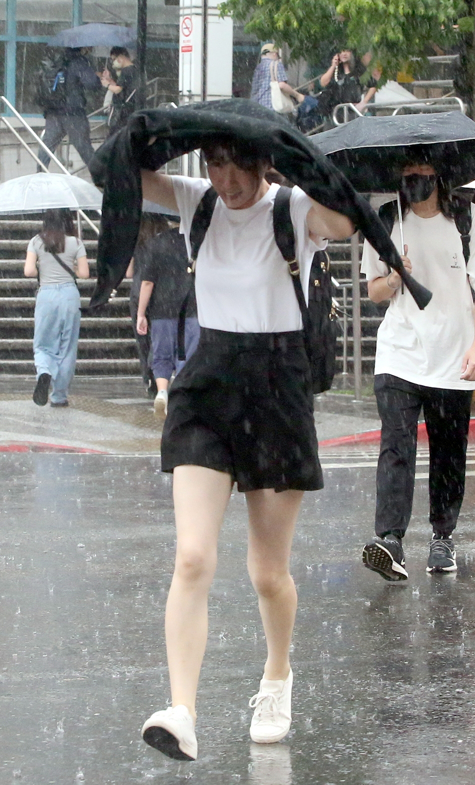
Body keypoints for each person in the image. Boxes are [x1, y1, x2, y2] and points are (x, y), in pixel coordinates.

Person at [136, 139, 357, 761]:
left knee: (267, 573)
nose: (225, 178)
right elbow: (130, 175)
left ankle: (277, 674)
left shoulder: (292, 208)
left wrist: (306, 171)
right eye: (214, 162)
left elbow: (344, 221)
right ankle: (182, 710)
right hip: (208, 386)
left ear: (263, 162)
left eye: (238, 163)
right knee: (192, 557)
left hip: (277, 390)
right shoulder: (196, 202)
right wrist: (147, 131)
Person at [360, 160, 475, 580]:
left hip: (453, 356)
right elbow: (373, 291)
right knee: (396, 446)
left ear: (438, 175)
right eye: (406, 174)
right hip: (400, 351)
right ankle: (390, 540)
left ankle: (442, 537)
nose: (414, 182)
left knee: (448, 452)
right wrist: (395, 277)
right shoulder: (386, 219)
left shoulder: (467, 218)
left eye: (422, 173)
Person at [23, 209, 89, 407]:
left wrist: (42, 266)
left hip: (47, 295)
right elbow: (84, 274)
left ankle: (44, 371)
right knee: (67, 347)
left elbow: (29, 271)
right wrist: (73, 267)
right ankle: (59, 396)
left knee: (43, 343)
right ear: (67, 221)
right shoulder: (76, 243)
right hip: (69, 295)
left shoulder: (36, 241)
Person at [135, 227, 198, 419]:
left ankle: (162, 391)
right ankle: (180, 396)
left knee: (161, 354)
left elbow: (147, 282)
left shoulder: (157, 243)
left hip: (162, 309)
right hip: (191, 308)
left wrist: (141, 313)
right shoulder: (196, 242)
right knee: (187, 355)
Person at [127, 214, 171, 398]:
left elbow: (129, 273)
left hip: (138, 291)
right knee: (158, 335)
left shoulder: (136, 243)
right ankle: (158, 371)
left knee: (142, 339)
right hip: (161, 292)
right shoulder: (166, 244)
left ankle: (149, 377)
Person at [37, 47, 102, 171]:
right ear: (82, 48)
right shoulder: (79, 62)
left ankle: (39, 175)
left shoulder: (58, 61)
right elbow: (91, 83)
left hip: (53, 111)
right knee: (84, 148)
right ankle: (101, 177)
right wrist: (97, 77)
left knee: (46, 147)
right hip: (73, 113)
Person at [317, 48, 376, 125]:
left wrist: (364, 102)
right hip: (334, 111)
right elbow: (323, 83)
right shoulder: (336, 71)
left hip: (352, 110)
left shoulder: (359, 71)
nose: (344, 54)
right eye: (341, 51)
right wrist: (333, 66)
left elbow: (373, 85)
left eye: (347, 51)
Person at [250, 43, 305, 113]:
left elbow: (254, 90)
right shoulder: (276, 64)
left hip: (259, 108)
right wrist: (297, 95)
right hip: (273, 107)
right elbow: (281, 85)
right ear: (274, 54)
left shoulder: (258, 68)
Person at [101, 46, 139, 136]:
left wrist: (107, 85)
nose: (113, 62)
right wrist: (110, 80)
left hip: (121, 111)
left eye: (114, 59)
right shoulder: (134, 70)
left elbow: (118, 89)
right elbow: (121, 87)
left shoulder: (126, 71)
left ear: (121, 57)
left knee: (114, 137)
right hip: (127, 110)